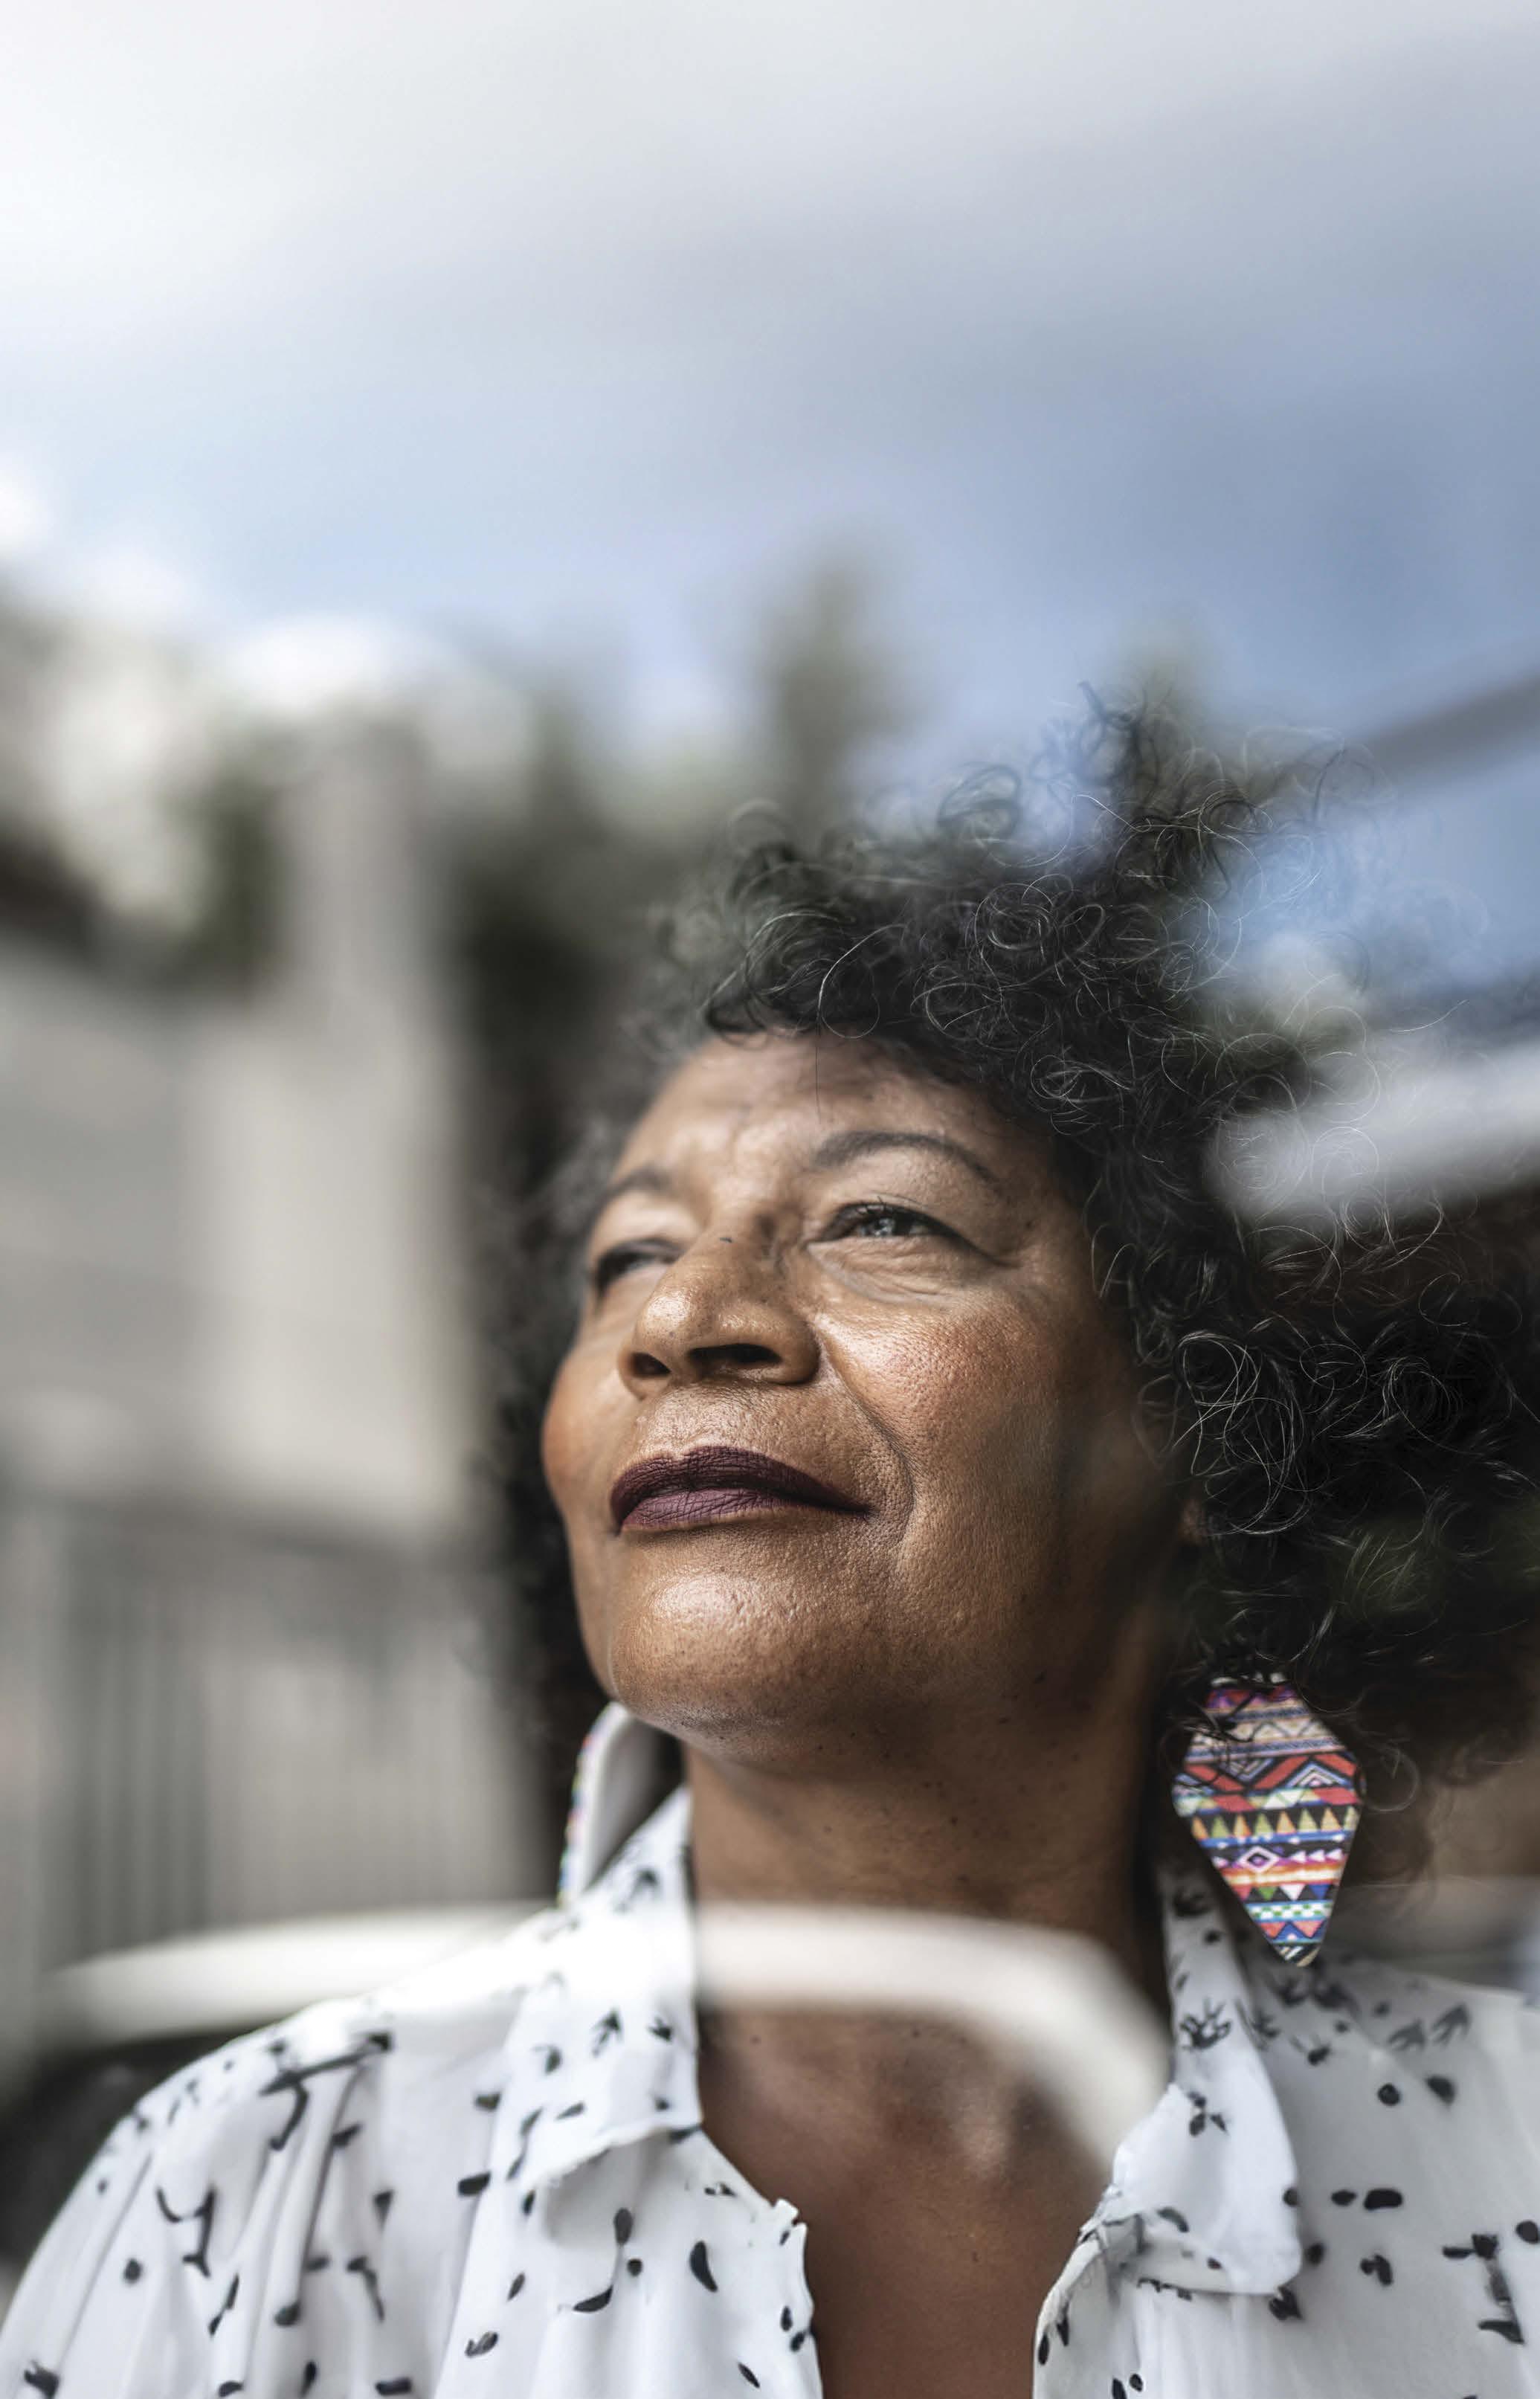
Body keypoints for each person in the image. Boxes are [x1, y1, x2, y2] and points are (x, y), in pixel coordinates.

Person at [7, 712, 1540, 2399]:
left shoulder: (1510, 2169)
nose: (681, 1315)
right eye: (628, 1254)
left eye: (882, 1219)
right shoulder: (243, 2207)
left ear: (1182, 1415)